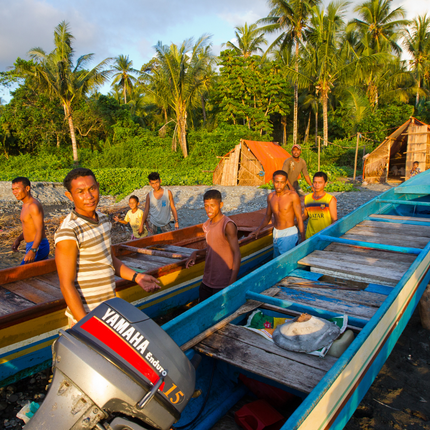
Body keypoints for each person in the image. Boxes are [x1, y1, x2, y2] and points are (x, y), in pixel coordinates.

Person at [54, 168, 160, 324]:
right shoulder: (69, 232)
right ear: (70, 196)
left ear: (97, 186)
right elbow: (66, 284)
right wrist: (85, 325)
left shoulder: (103, 220)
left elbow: (109, 260)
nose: (89, 196)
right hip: (85, 318)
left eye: (92, 189)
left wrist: (137, 277)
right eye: (81, 192)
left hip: (107, 311)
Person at [186, 189, 241, 302]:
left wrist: (232, 281)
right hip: (207, 280)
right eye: (206, 206)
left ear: (220, 205)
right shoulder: (207, 225)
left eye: (212, 206)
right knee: (203, 309)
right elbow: (212, 249)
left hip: (223, 282)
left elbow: (237, 253)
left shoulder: (227, 225)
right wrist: (195, 253)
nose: (209, 210)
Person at [251, 170, 305, 257]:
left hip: (288, 234)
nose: (279, 185)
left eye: (282, 182)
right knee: (276, 260)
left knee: (287, 261)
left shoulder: (292, 196)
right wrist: (258, 229)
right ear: (273, 181)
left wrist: (303, 238)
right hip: (276, 232)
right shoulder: (271, 197)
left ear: (286, 182)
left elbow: (299, 218)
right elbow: (267, 216)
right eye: (277, 182)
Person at [11, 177, 50, 264]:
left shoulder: (33, 206)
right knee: (38, 275)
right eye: (13, 189)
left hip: (38, 246)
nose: (14, 192)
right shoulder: (25, 205)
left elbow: (40, 229)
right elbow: (29, 227)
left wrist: (33, 250)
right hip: (33, 245)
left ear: (27, 188)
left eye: (17, 189)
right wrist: (19, 239)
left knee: (22, 274)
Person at [302, 171, 337, 239]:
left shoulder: (330, 199)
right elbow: (305, 216)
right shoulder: (307, 198)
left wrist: (332, 236)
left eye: (320, 182)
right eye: (315, 182)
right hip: (310, 236)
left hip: (325, 236)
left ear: (325, 184)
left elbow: (334, 220)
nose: (317, 185)